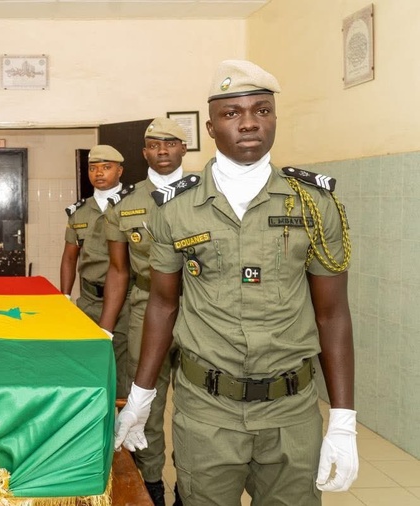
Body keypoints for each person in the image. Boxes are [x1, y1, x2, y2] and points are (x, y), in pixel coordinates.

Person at [115, 60, 357, 505]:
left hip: (292, 413)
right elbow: (163, 305)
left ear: (275, 119)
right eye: (232, 113)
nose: (249, 122)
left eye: (262, 110)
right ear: (210, 127)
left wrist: (343, 419)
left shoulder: (315, 204)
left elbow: (332, 312)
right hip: (207, 412)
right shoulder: (175, 208)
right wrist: (141, 397)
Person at [100, 118, 188, 506]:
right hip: (144, 308)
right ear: (144, 152)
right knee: (145, 397)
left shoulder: (207, 194)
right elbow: (119, 270)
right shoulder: (127, 204)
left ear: (184, 148)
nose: (163, 150)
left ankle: (191, 483)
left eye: (171, 143)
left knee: (196, 403)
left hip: (198, 310)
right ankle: (150, 481)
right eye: (154, 144)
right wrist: (104, 329)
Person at [61, 144, 130, 399]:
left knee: (123, 367)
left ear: (120, 170)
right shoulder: (78, 211)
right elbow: (69, 257)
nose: (99, 173)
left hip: (127, 302)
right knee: (87, 366)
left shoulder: (133, 206)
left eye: (106, 167)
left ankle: (122, 428)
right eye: (93, 168)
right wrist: (65, 297)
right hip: (89, 301)